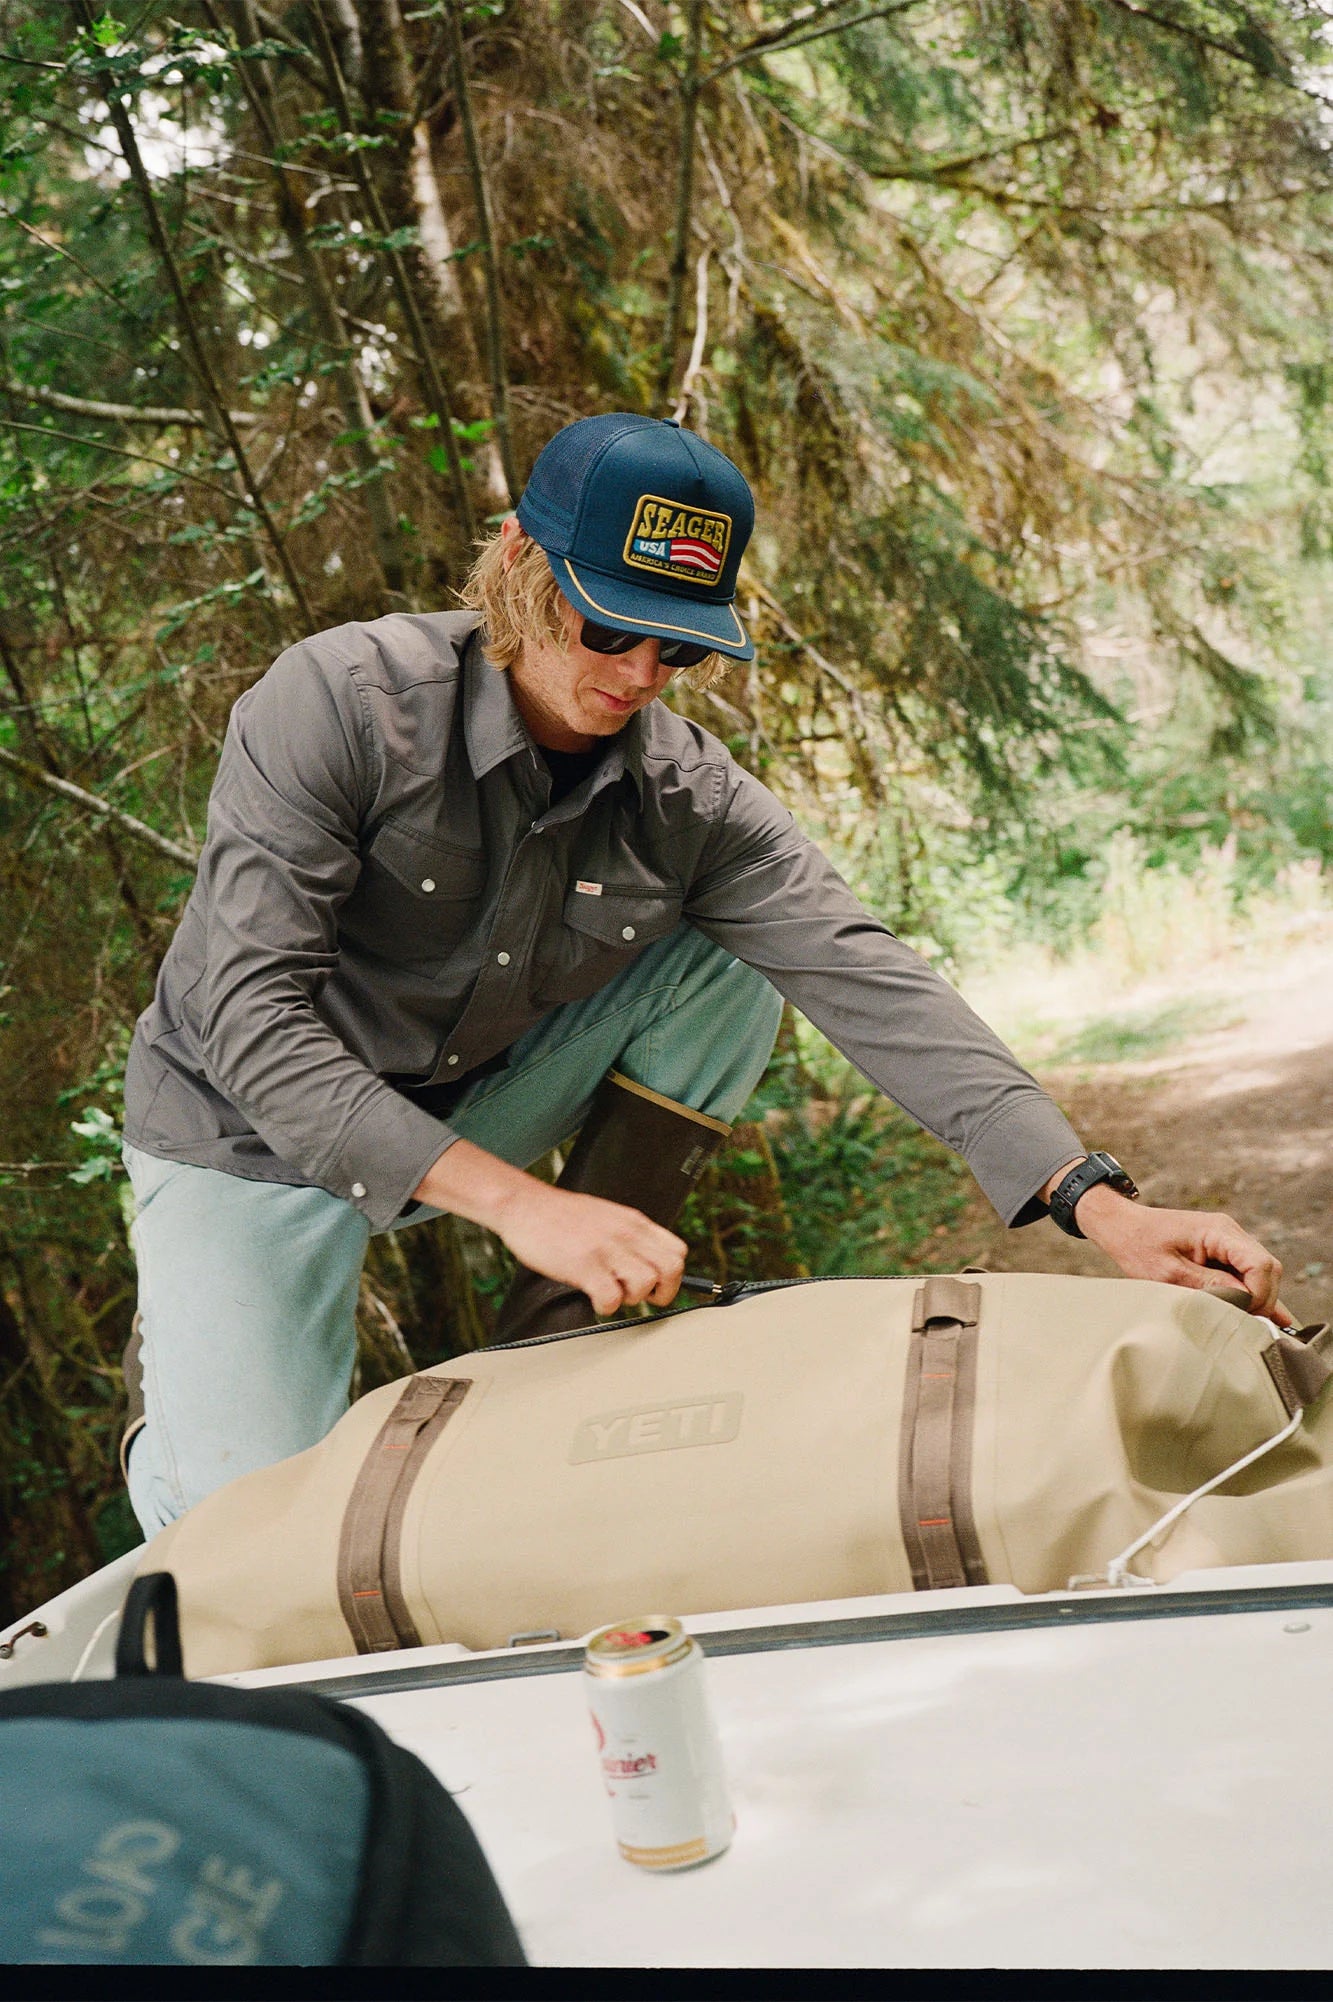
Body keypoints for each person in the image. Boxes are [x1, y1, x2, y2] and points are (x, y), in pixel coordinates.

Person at [119, 413, 1285, 1536]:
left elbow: (866, 976)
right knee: (243, 1523)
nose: (639, 674)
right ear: (521, 562)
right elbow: (245, 1016)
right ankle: (174, 1407)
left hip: (469, 1099)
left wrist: (1099, 1204)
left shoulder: (691, 797)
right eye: (608, 627)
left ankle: (548, 1350)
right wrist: (526, 1204)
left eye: (677, 645)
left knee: (729, 965)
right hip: (248, 1137)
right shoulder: (339, 703)